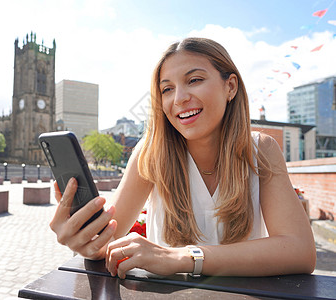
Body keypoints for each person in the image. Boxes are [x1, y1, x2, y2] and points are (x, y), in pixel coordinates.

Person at [50, 37, 316, 279]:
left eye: (194, 80)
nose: (179, 98)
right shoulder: (151, 153)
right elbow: (107, 240)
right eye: (167, 89)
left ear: (230, 87)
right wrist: (83, 237)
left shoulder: (261, 150)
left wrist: (184, 257)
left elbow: (300, 251)